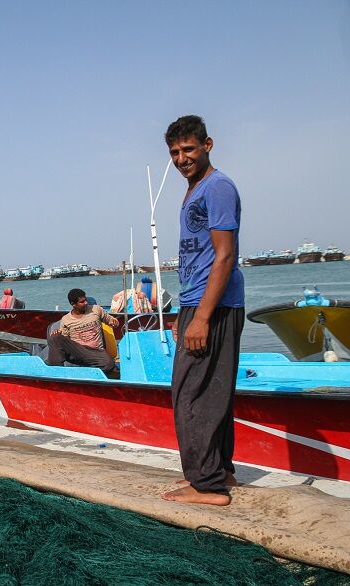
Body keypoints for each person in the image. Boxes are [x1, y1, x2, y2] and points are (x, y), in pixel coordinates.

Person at [160, 116, 244, 507]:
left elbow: (224, 256)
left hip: (217, 305)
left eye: (189, 150)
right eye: (175, 152)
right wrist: (186, 310)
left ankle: (206, 485)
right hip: (199, 301)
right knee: (213, 391)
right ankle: (221, 470)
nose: (182, 159)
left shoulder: (218, 187)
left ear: (207, 144)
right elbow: (199, 255)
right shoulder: (194, 189)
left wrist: (204, 317)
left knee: (189, 394)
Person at [45, 288, 120, 376]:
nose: (86, 303)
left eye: (86, 300)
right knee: (55, 337)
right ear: (73, 304)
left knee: (109, 364)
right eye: (82, 302)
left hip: (96, 352)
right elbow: (65, 342)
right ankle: (56, 374)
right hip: (78, 352)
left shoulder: (96, 309)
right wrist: (58, 333)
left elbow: (112, 322)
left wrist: (114, 323)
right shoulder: (66, 319)